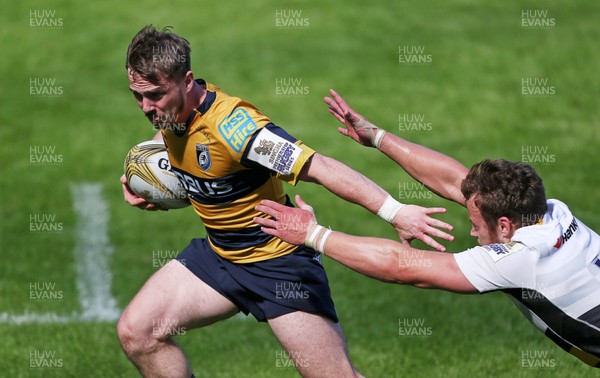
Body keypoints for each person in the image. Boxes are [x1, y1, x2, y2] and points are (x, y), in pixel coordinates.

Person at [117, 26, 455, 378]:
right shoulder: (172, 112)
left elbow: (320, 167)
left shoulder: (237, 129)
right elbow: (172, 138)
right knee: (137, 333)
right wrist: (150, 183)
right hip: (220, 256)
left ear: (187, 81)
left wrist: (395, 212)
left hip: (278, 263)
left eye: (154, 95)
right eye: (137, 96)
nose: (146, 108)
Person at [254, 89, 600, 368]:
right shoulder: (550, 211)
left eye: (476, 224)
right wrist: (376, 136)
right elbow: (455, 180)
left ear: (505, 226)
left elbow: (404, 268)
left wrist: (314, 235)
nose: (473, 232)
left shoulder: (519, 258)